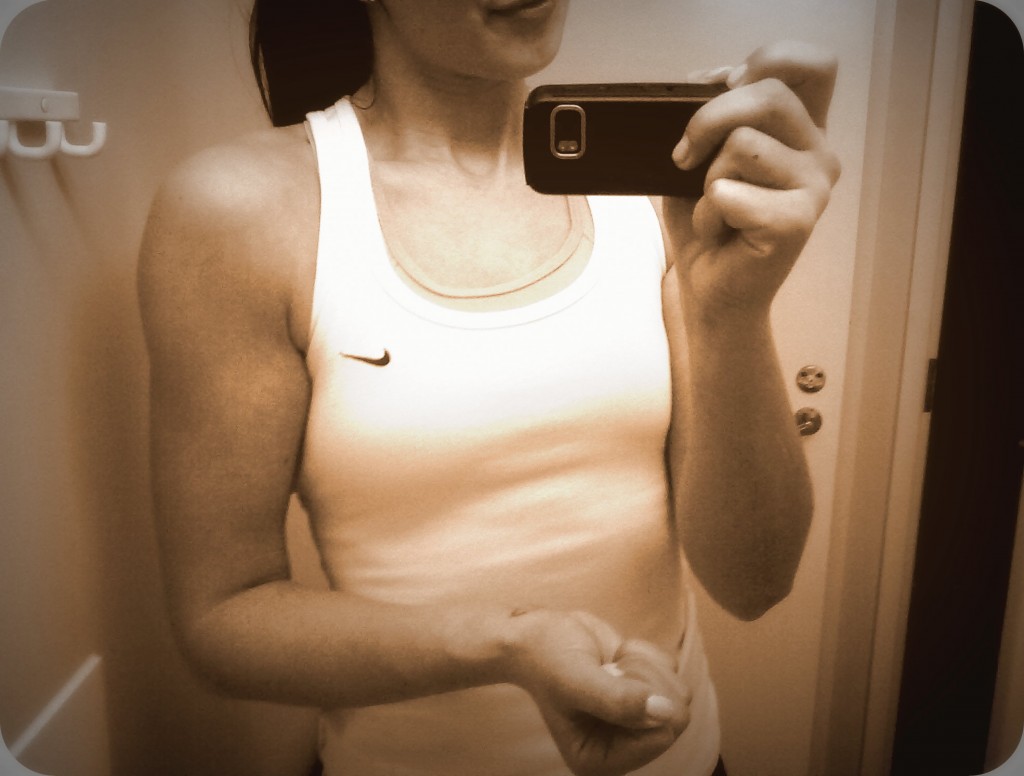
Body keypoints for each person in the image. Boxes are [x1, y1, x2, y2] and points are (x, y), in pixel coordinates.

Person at [137, 1, 840, 774]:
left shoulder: (651, 186)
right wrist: (509, 644)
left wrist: (732, 311)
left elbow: (754, 583)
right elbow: (224, 617)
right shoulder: (243, 212)